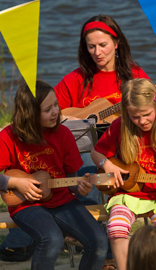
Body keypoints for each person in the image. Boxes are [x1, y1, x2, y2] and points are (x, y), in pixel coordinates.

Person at [0, 80, 108, 270]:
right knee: (52, 239)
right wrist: (15, 182)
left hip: (62, 201)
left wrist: (80, 186)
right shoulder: (9, 136)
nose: (56, 112)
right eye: (47, 109)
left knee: (99, 240)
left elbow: (71, 180)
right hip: (26, 206)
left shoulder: (64, 134)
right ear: (30, 114)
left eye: (56, 105)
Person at [54, 13, 150, 206]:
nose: (97, 52)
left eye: (103, 45)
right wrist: (68, 118)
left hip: (128, 145)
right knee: (86, 162)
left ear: (116, 43)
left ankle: (119, 212)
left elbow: (155, 112)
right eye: (91, 46)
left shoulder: (135, 75)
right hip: (88, 150)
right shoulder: (76, 79)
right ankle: (90, 222)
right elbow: (45, 112)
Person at [91, 78, 156, 270]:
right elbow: (96, 152)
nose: (142, 121)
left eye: (147, 115)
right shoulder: (120, 126)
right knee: (115, 229)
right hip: (127, 195)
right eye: (135, 117)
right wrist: (107, 164)